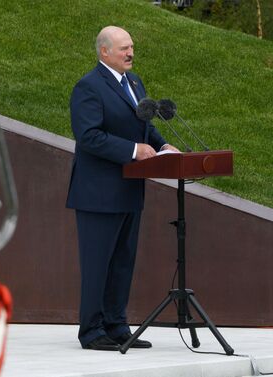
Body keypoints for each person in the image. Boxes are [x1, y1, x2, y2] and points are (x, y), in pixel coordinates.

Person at [66, 26, 179, 351]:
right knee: (98, 263)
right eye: (123, 48)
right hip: (98, 193)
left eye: (131, 47)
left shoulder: (134, 82)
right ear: (104, 51)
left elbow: (144, 124)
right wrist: (133, 150)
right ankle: (91, 331)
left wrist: (162, 144)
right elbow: (88, 136)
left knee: (122, 262)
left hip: (129, 190)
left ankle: (117, 326)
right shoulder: (88, 87)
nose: (130, 53)